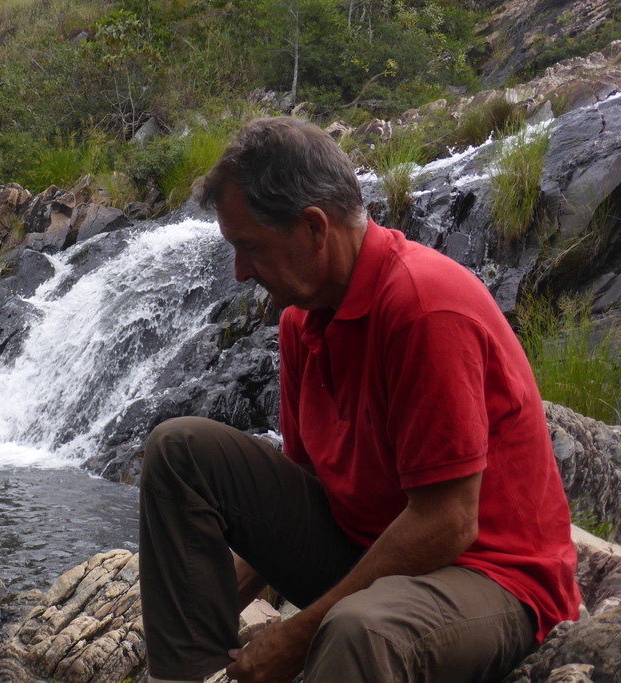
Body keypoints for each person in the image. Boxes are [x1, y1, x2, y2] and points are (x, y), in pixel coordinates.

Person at [138, 117, 580, 683]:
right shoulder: (303, 318)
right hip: (369, 550)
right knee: (180, 450)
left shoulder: (424, 307)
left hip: (492, 578)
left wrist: (294, 636)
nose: (240, 271)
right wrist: (211, 602)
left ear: (315, 228)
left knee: (356, 631)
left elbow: (448, 523)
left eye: (250, 247)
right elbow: (300, 484)